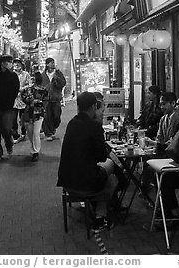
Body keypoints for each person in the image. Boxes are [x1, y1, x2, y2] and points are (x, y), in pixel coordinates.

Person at [57, 91, 117, 230]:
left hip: (67, 180)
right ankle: (100, 216)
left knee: (107, 171)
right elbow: (101, 156)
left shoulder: (72, 123)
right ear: (93, 107)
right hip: (85, 182)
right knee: (112, 173)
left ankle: (99, 209)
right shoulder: (94, 126)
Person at [21, 71, 48, 162]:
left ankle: (35, 151)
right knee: (30, 133)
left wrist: (36, 102)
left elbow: (45, 100)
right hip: (28, 113)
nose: (32, 80)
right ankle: (34, 148)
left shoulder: (43, 90)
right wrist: (30, 101)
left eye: (34, 79)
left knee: (36, 132)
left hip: (38, 113)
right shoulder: (26, 89)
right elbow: (23, 98)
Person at [41, 57, 66, 141]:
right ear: (47, 64)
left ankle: (53, 127)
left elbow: (63, 83)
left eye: (53, 62)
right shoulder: (43, 75)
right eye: (51, 63)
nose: (53, 64)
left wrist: (56, 79)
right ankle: (48, 133)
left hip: (56, 98)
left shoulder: (58, 73)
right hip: (46, 99)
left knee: (56, 116)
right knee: (46, 116)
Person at [12, 59, 32, 143]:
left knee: (23, 119)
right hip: (13, 100)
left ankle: (23, 134)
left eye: (18, 63)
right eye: (15, 64)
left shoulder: (26, 74)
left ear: (21, 65)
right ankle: (15, 136)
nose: (17, 65)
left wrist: (23, 89)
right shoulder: (11, 75)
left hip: (23, 100)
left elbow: (30, 84)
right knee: (13, 119)